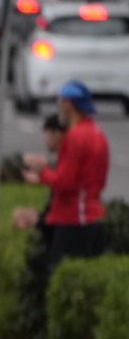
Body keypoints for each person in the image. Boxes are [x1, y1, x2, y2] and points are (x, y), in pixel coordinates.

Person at [22, 80, 110, 270]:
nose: (58, 107)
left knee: (60, 276)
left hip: (73, 220)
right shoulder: (97, 132)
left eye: (60, 101)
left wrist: (41, 170)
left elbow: (64, 182)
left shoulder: (75, 137)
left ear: (69, 104)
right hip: (93, 215)